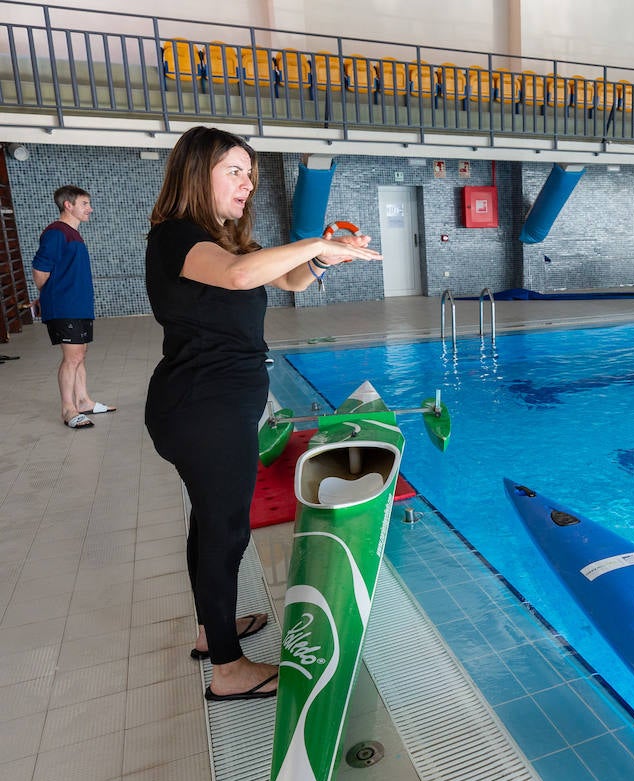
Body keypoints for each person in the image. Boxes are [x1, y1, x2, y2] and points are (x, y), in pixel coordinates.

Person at [144, 126, 382, 701]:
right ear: (195, 174)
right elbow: (238, 277)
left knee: (209, 524)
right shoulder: (177, 237)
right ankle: (227, 670)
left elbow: (290, 277)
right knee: (225, 533)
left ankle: (212, 631)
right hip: (203, 408)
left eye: (250, 173)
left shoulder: (223, 239)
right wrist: (310, 242)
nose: (247, 183)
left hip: (212, 406)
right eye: (235, 171)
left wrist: (323, 256)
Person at [32, 185, 114, 430]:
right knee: (72, 357)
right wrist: (49, 296)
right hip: (65, 305)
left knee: (80, 355)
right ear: (68, 205)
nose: (90, 208)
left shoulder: (72, 233)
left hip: (76, 304)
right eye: (85, 204)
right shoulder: (57, 233)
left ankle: (84, 400)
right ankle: (68, 409)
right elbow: (40, 270)